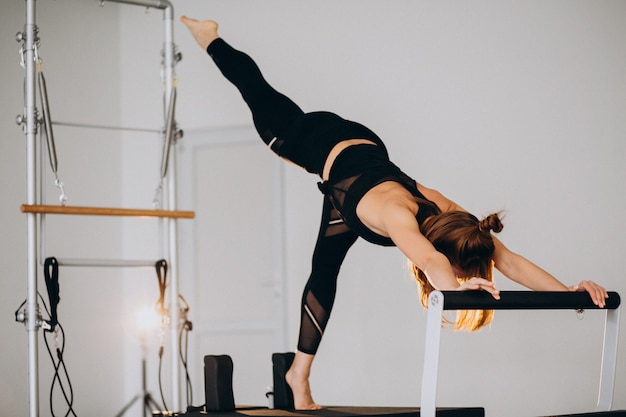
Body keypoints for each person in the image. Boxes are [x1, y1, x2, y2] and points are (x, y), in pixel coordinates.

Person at [180, 16, 609, 410]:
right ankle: (210, 38)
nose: (461, 275)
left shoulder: (447, 212)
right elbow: (430, 260)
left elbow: (508, 260)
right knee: (259, 94)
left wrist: (571, 294)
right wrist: (456, 290)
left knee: (323, 270)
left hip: (362, 156)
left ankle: (298, 373)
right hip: (314, 141)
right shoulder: (401, 218)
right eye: (462, 270)